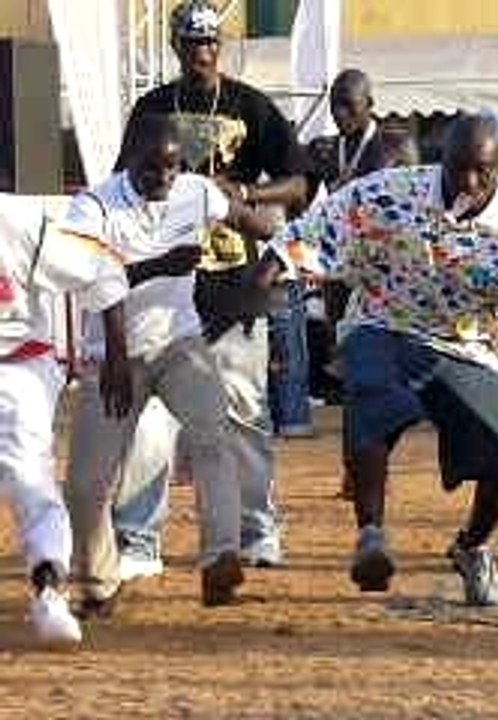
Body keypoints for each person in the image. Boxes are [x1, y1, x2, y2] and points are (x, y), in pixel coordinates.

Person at [263, 114, 498, 605]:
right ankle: (370, 533)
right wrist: (262, 277)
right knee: (372, 387)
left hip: (467, 347)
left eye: (482, 171)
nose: (468, 182)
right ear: (443, 160)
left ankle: (472, 548)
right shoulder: (390, 193)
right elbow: (311, 233)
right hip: (383, 324)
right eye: (458, 168)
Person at [110, 0, 311, 570]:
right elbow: (120, 181)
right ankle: (138, 542)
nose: (204, 54)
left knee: (244, 413)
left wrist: (245, 197)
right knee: (151, 418)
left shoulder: (251, 105)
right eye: (193, 44)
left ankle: (256, 531)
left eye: (211, 44)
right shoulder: (152, 110)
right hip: (166, 288)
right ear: (175, 48)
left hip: (237, 282)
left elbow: (300, 182)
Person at [63, 115, 278, 616]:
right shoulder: (94, 205)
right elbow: (92, 275)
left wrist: (272, 257)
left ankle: (220, 558)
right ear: (128, 159)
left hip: (180, 344)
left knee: (215, 435)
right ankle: (98, 579)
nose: (164, 178)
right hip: (114, 355)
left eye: (173, 167)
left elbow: (254, 222)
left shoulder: (196, 191)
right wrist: (117, 346)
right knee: (86, 484)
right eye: (152, 169)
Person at [0, 193, 130, 643]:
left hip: (15, 368)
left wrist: (116, 347)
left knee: (27, 478)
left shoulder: (18, 220)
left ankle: (49, 592)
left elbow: (100, 267)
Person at [306, 69, 391, 498]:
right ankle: (353, 471)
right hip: (340, 277)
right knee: (349, 375)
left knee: (376, 376)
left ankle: (371, 467)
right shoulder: (326, 150)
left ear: (369, 104)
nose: (340, 114)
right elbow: (303, 193)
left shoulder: (391, 147)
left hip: (382, 280)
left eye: (349, 106)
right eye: (335, 105)